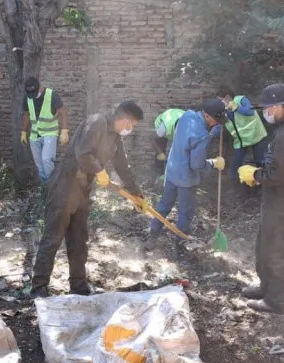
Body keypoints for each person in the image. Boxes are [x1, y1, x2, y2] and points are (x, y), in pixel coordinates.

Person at [31, 101, 148, 297]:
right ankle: (39, 286)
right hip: (64, 184)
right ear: (126, 119)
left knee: (79, 239)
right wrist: (99, 170)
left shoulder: (116, 139)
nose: (131, 129)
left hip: (82, 190)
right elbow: (83, 153)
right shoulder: (97, 122)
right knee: (53, 237)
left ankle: (78, 285)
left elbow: (123, 168)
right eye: (133, 124)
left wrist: (136, 194)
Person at [238, 83, 284, 314]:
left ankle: (276, 301)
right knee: (265, 245)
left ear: (280, 106)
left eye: (268, 108)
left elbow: (278, 175)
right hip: (278, 200)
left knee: (276, 250)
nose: (265, 112)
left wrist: (254, 175)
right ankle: (266, 288)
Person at [144, 100, 226, 251]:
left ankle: (152, 237)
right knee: (185, 212)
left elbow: (188, 138)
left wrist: (210, 132)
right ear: (207, 116)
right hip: (186, 180)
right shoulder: (202, 136)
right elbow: (197, 164)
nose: (216, 124)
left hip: (172, 170)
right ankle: (179, 246)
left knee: (164, 205)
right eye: (216, 120)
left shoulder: (187, 116)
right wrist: (214, 163)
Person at [20, 77, 69, 184]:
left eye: (34, 92)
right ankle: (44, 186)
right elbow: (26, 114)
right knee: (39, 163)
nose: (32, 96)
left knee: (47, 159)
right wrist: (23, 131)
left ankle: (52, 184)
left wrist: (64, 131)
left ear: (40, 87)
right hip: (34, 134)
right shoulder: (27, 98)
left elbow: (62, 112)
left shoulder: (51, 95)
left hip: (50, 133)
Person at [216, 86, 269, 182]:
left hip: (257, 136)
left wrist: (235, 107)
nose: (220, 103)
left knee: (260, 162)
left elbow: (250, 111)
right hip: (241, 141)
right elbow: (220, 124)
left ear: (227, 97)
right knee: (235, 164)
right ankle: (236, 186)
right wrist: (210, 134)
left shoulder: (241, 100)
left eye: (221, 100)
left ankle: (262, 185)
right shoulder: (224, 111)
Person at [152, 107, 186, 176]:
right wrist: (160, 153)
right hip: (165, 124)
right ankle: (158, 173)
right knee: (161, 147)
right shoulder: (163, 128)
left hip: (178, 115)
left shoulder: (188, 125)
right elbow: (153, 140)